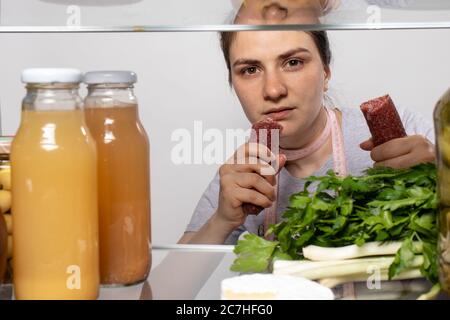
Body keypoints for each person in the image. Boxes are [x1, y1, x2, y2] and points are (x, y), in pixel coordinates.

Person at [178, 0, 435, 245]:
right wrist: (222, 221)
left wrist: (438, 179)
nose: (273, 90)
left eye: (293, 62)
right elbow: (160, 291)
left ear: (326, 72)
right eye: (250, 70)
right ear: (233, 85)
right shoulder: (241, 176)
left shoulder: (404, 134)